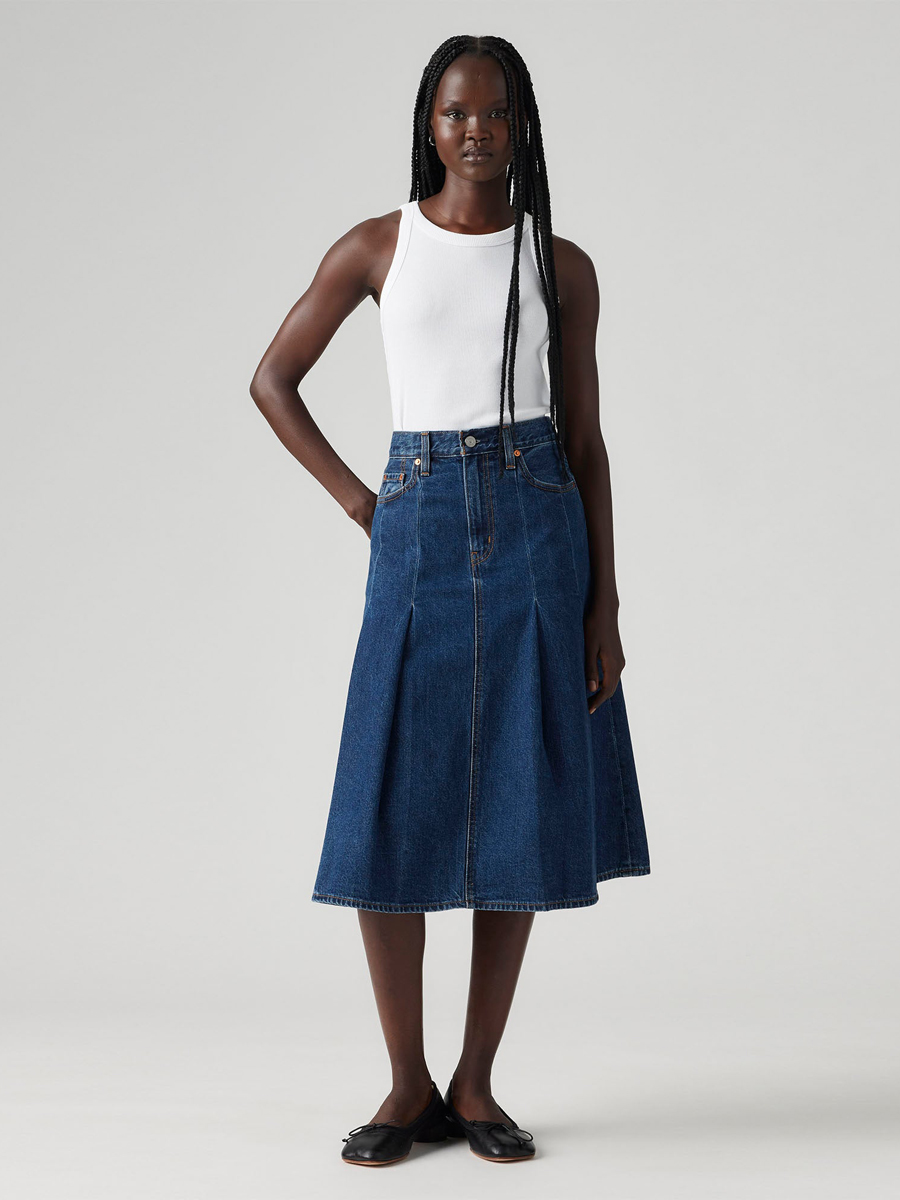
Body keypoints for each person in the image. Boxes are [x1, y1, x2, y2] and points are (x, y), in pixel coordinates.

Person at [249, 34, 651, 1167]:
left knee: (518, 792)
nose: (476, 130)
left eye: (496, 111)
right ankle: (406, 1083)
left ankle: (474, 1082)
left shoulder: (560, 264)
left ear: (523, 125)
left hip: (538, 523)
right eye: (455, 111)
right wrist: (364, 505)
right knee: (391, 794)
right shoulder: (379, 246)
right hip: (419, 523)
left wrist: (605, 608)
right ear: (428, 124)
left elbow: (587, 444)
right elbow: (272, 379)